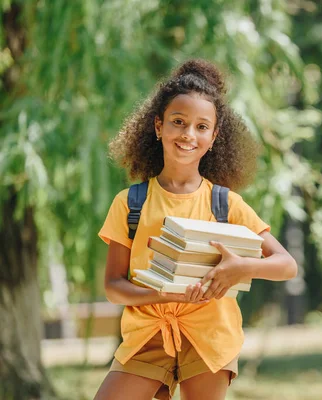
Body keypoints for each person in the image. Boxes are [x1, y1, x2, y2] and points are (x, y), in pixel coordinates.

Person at [94, 59, 298, 400]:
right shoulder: (130, 203)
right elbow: (114, 287)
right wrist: (161, 295)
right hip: (146, 336)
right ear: (158, 126)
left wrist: (242, 268)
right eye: (178, 122)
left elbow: (287, 265)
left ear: (214, 136)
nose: (189, 134)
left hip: (210, 338)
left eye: (202, 126)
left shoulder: (225, 204)